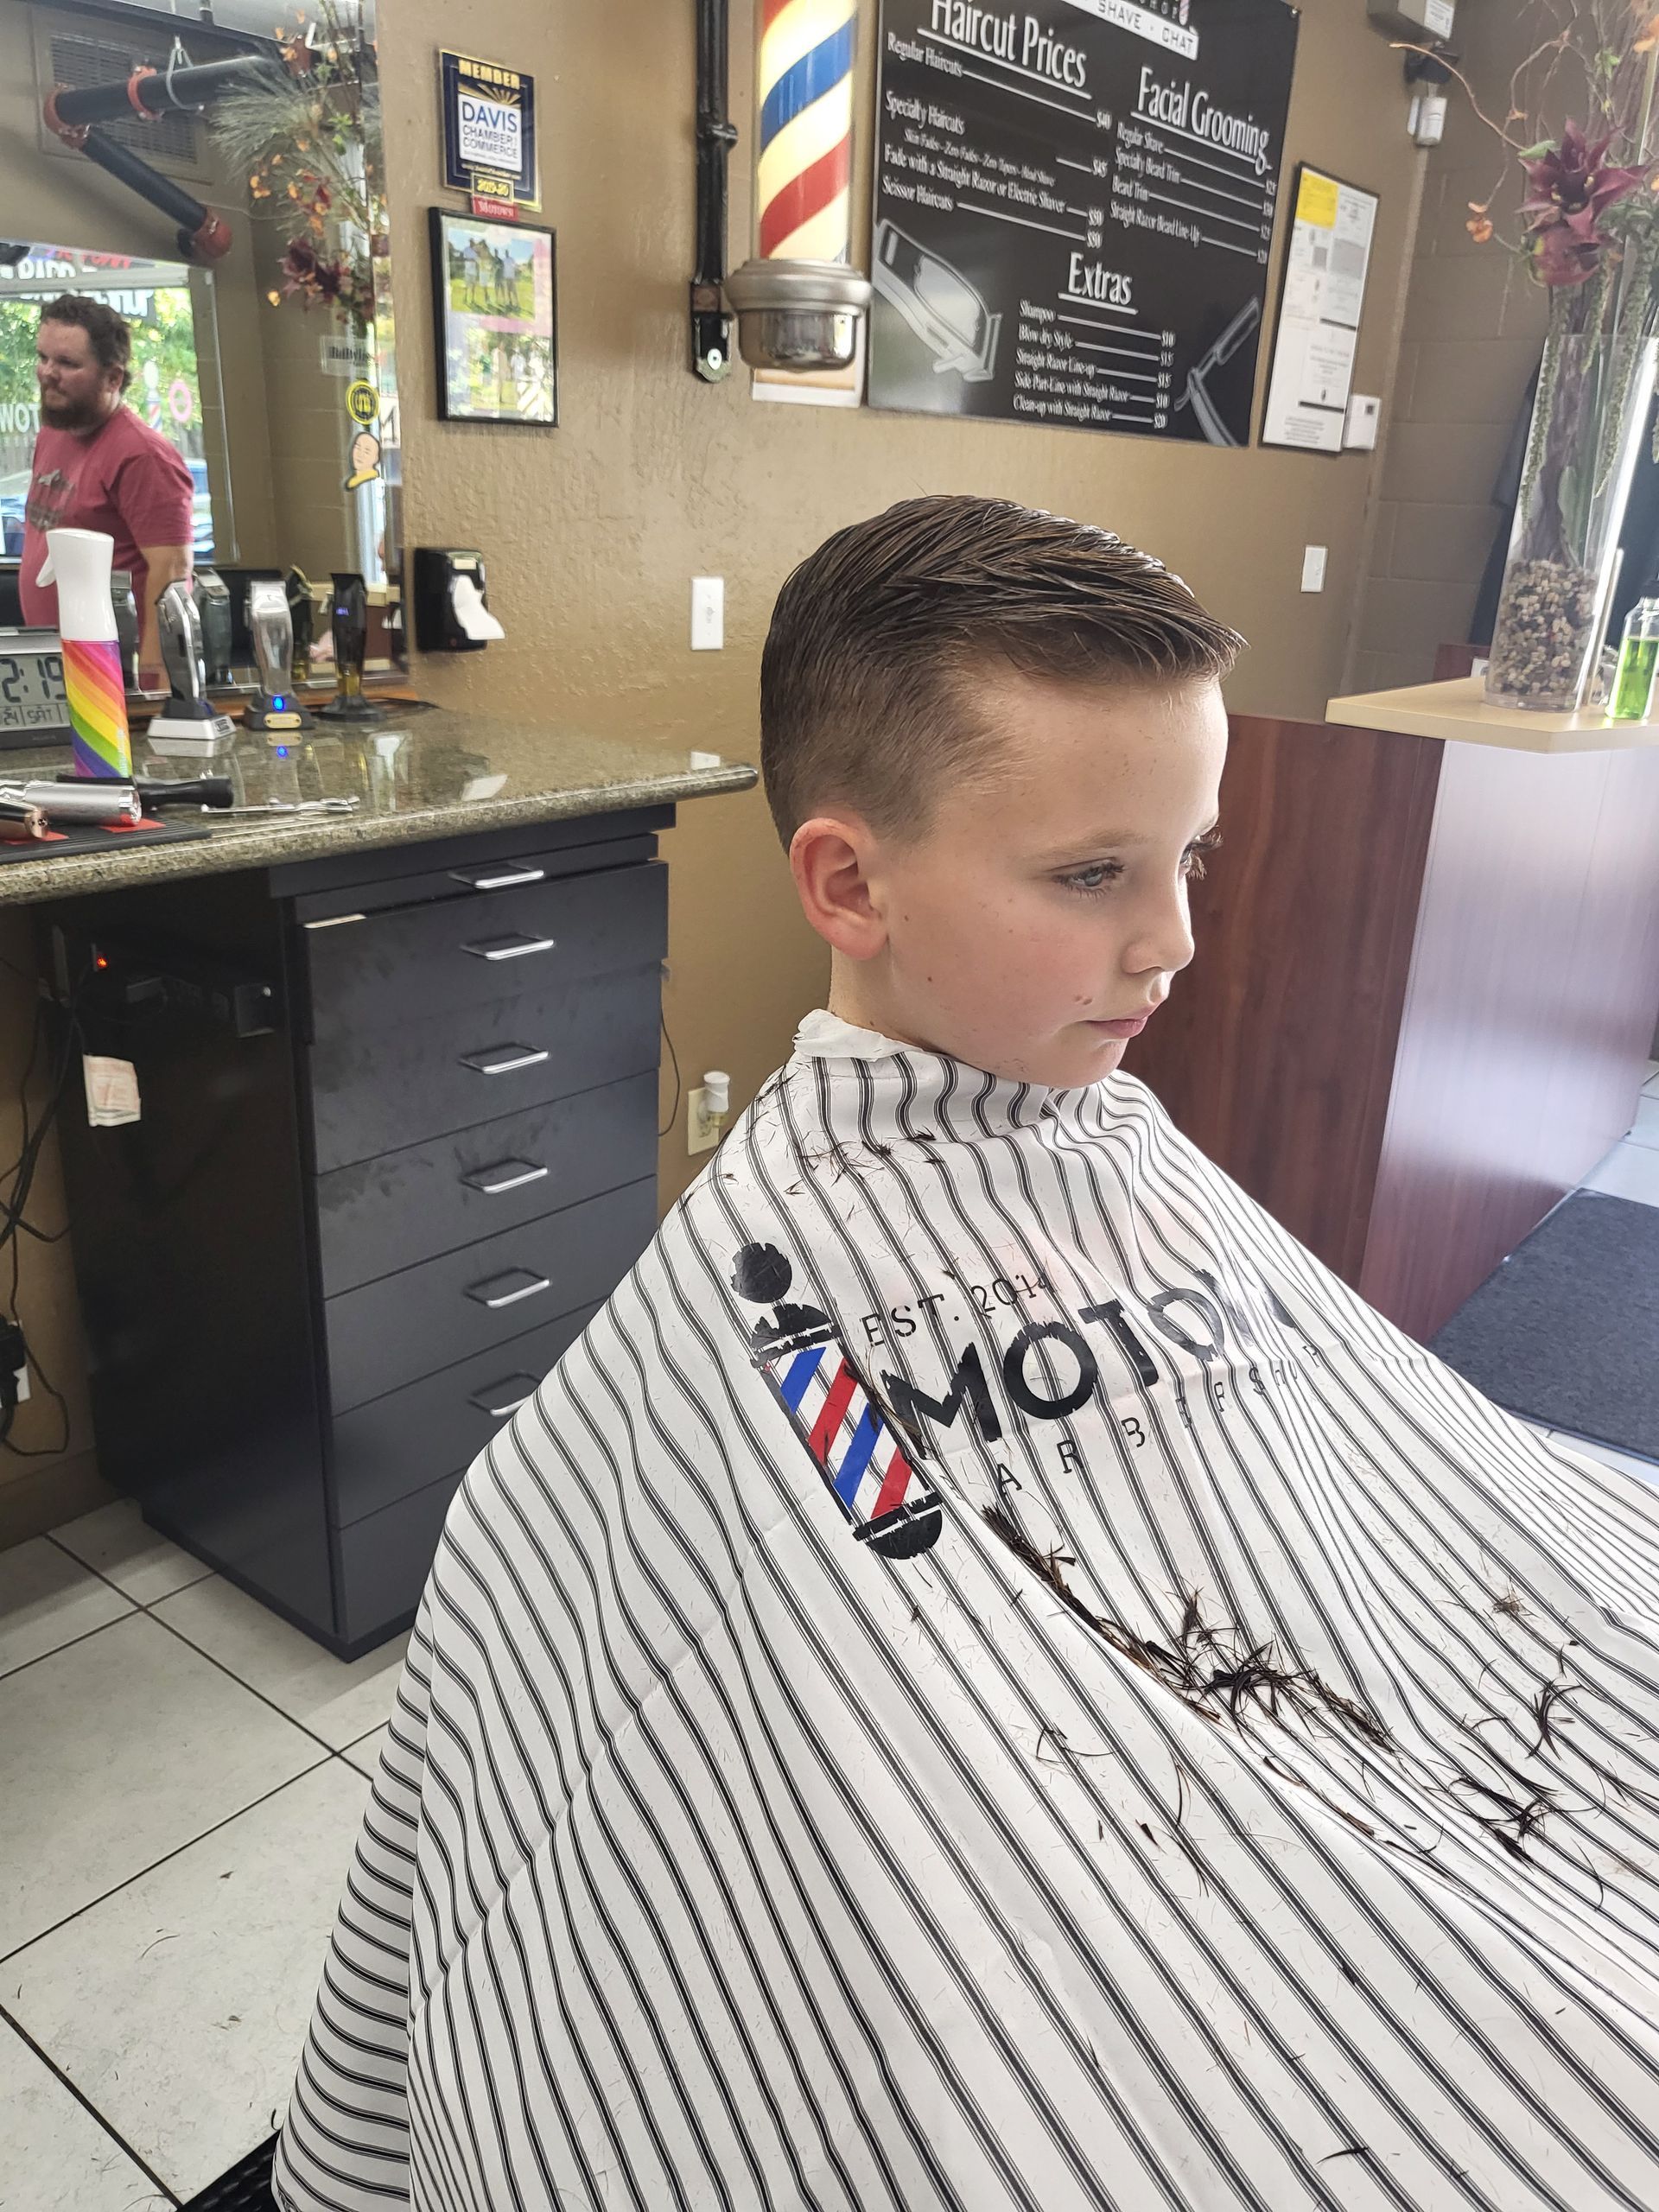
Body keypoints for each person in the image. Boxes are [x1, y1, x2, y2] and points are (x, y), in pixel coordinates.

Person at [276, 497, 1659, 2212]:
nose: (1173, 940)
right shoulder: (770, 1287)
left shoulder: (1122, 1140)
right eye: (1094, 874)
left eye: (1190, 857)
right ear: (847, 882)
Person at [20, 294, 193, 690]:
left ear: (113, 378)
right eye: (43, 357)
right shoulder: (53, 433)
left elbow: (172, 574)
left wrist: (154, 690)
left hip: (116, 676)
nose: (47, 373)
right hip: (55, 664)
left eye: (67, 363)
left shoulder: (143, 456)